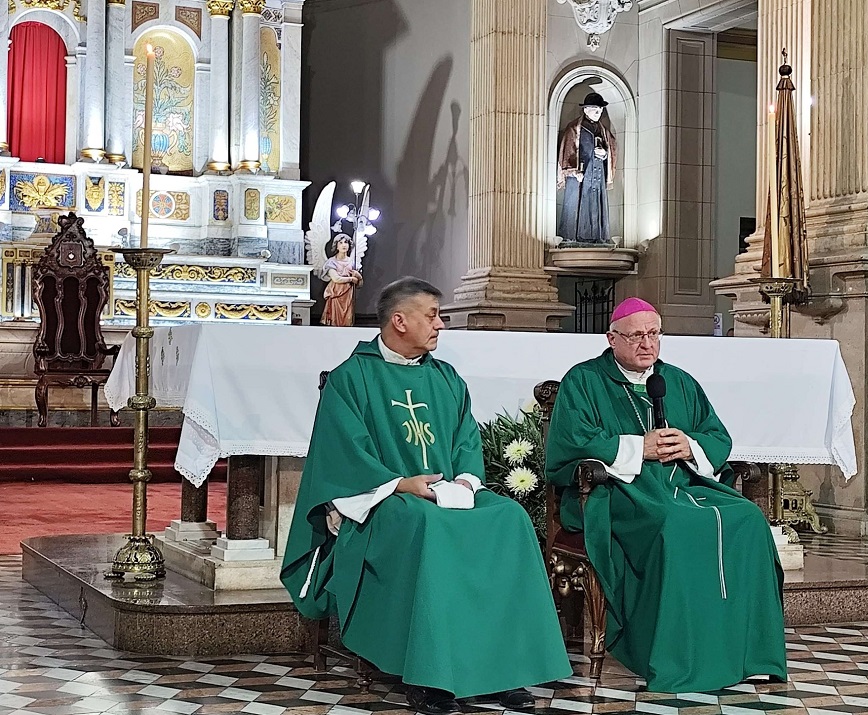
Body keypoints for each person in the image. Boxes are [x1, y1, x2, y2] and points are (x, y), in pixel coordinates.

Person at [282, 277, 572, 714]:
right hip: (381, 499)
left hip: (445, 492)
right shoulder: (352, 378)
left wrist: (465, 482)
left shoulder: (445, 377)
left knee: (510, 517)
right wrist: (402, 484)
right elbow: (342, 455)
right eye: (432, 316)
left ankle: (503, 669)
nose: (440, 325)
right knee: (425, 523)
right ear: (399, 321)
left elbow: (466, 440)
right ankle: (428, 678)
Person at [544, 297, 787, 693]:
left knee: (748, 519)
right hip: (618, 491)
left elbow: (716, 434)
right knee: (673, 525)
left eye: (654, 334)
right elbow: (573, 442)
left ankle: (750, 655)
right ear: (612, 338)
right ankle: (677, 659)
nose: (647, 344)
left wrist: (690, 445)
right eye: (636, 336)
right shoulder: (584, 381)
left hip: (684, 485)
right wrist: (639, 447)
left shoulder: (678, 381)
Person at [557, 92, 617, 245]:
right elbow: (567, 150)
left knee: (596, 205)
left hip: (597, 177)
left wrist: (604, 154)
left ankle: (598, 238)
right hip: (580, 177)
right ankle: (573, 238)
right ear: (585, 109)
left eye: (600, 109)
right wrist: (573, 171)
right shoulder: (574, 128)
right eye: (595, 109)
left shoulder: (603, 130)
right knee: (578, 206)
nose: (598, 112)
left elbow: (611, 147)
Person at [321, 234, 363, 327]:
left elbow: (359, 285)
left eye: (346, 242)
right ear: (336, 246)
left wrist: (359, 277)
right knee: (335, 320)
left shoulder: (352, 262)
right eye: (340, 243)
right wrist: (351, 278)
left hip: (348, 295)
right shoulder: (331, 262)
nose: (344, 245)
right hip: (336, 294)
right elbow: (336, 279)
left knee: (347, 319)